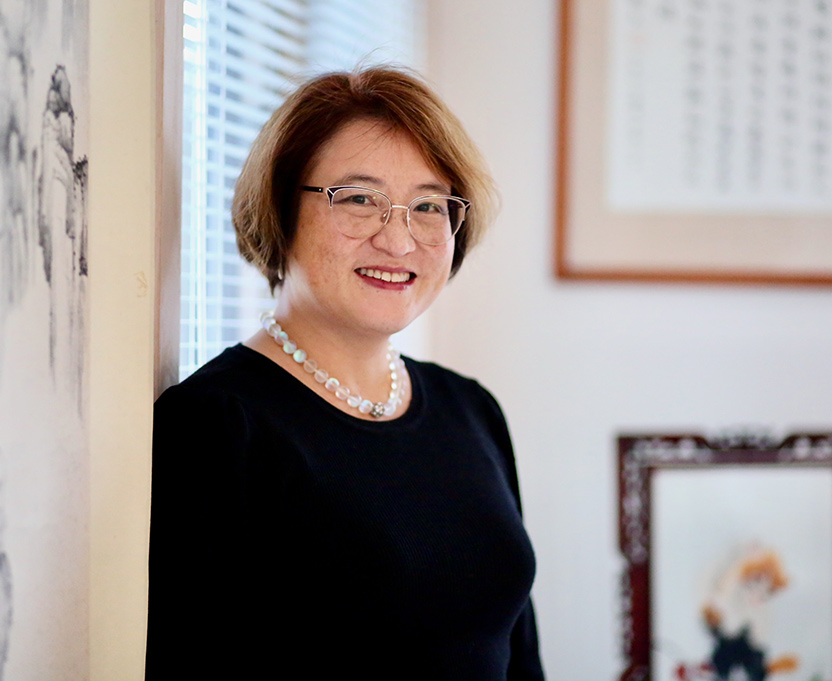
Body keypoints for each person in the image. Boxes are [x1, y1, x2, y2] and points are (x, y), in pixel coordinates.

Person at [146, 66, 544, 680]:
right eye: (359, 199)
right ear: (280, 207)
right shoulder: (214, 427)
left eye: (428, 206)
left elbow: (520, 657)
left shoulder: (471, 409)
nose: (398, 239)